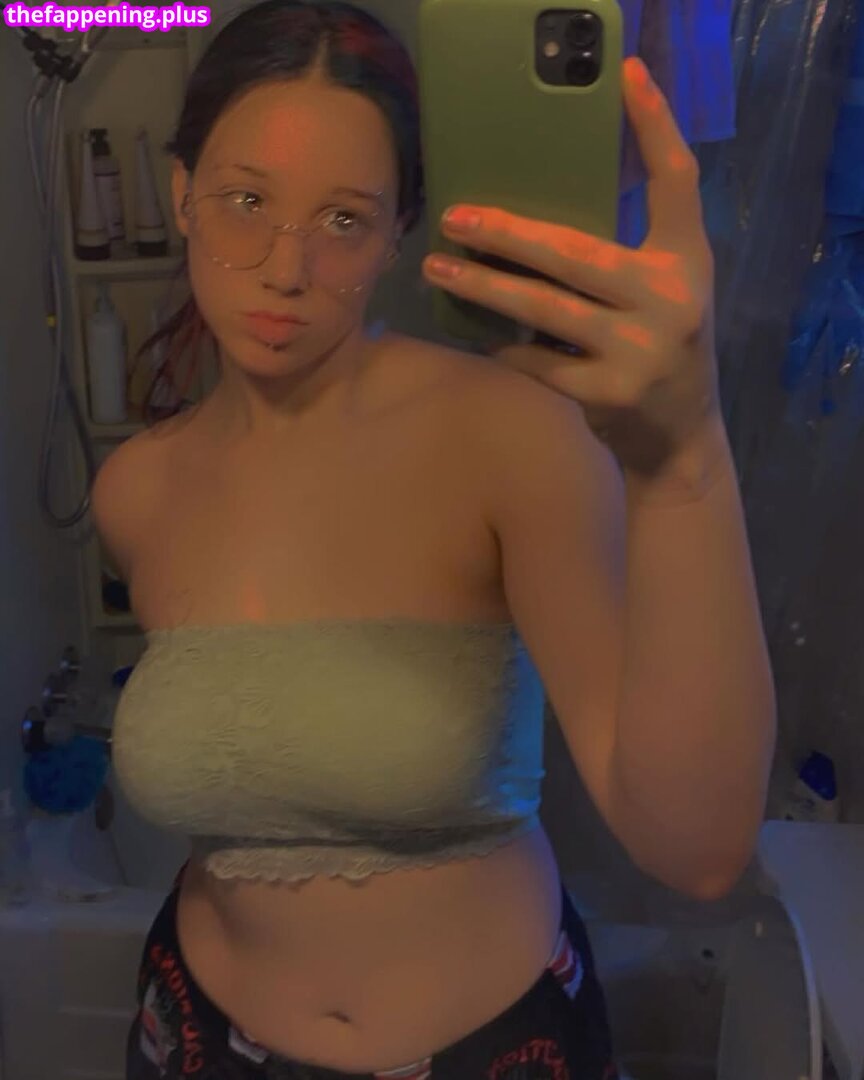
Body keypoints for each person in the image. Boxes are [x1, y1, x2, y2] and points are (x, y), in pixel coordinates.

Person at [90, 2, 777, 1077]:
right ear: (182, 195)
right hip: (192, 1034)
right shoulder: (136, 490)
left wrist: (686, 460)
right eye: (246, 202)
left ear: (400, 229)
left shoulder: (509, 436)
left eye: (343, 220)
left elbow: (697, 847)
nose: (285, 269)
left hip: (488, 1046)